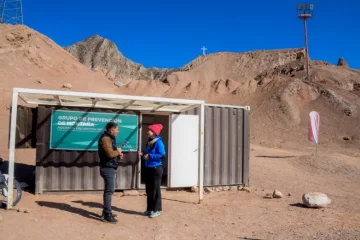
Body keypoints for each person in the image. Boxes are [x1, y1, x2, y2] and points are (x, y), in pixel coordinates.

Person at [138, 124, 166, 218]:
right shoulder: (150, 141)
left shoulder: (159, 142)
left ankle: (156, 210)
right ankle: (149, 209)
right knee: (149, 190)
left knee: (155, 190)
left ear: (154, 132)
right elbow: (147, 153)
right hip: (149, 168)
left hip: (156, 169)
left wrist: (150, 156)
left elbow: (162, 155)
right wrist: (143, 154)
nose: (147, 132)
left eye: (149, 130)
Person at [98, 121, 123, 223]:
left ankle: (105, 212)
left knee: (108, 190)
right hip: (108, 168)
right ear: (111, 129)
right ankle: (108, 214)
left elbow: (111, 154)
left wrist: (118, 155)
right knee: (109, 191)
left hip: (110, 167)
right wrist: (118, 151)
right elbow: (109, 154)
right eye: (117, 129)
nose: (118, 131)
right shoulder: (106, 139)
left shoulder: (110, 138)